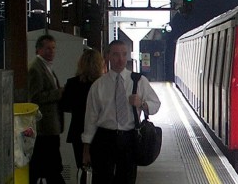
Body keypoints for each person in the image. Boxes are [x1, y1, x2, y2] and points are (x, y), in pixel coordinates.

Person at [82, 40, 162, 183]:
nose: (120, 59)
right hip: (104, 137)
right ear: (108, 56)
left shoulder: (139, 81)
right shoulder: (99, 85)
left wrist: (142, 104)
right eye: (116, 55)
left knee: (127, 179)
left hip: (129, 138)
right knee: (102, 179)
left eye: (124, 54)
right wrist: (86, 148)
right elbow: (91, 118)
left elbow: (156, 104)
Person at [61, 49, 105, 183]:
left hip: (78, 131)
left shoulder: (72, 83)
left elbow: (64, 106)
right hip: (100, 131)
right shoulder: (103, 84)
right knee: (101, 169)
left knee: (83, 168)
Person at [27, 34, 66, 184]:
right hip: (44, 128)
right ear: (38, 50)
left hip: (50, 127)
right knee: (51, 166)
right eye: (48, 48)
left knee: (44, 166)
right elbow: (34, 98)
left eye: (53, 48)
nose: (52, 51)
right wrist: (59, 93)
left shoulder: (46, 67)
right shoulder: (35, 69)